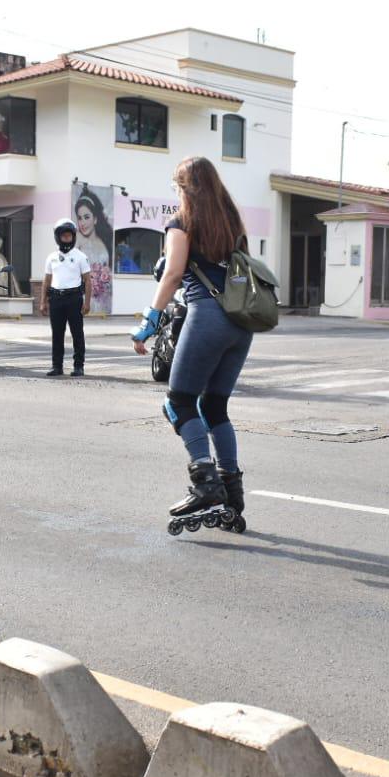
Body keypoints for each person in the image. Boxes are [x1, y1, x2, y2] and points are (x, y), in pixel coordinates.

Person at [130, 156, 253, 531]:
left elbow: (171, 276)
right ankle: (232, 491)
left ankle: (206, 484)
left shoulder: (182, 222)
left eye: (177, 186)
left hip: (207, 317)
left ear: (185, 188)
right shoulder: (233, 222)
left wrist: (148, 324)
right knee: (214, 405)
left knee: (179, 401)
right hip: (240, 323)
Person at [39, 218, 90, 376]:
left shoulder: (81, 256)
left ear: (73, 237)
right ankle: (57, 366)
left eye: (69, 236)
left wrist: (87, 303)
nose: (67, 238)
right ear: (58, 237)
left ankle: (78, 366)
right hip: (56, 298)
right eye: (64, 236)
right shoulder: (51, 257)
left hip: (74, 298)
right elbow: (47, 280)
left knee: (77, 333)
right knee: (57, 334)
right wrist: (43, 302)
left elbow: (88, 280)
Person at [73, 192, 112, 313]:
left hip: (103, 300)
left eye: (86, 217)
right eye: (79, 218)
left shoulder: (103, 241)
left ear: (95, 219)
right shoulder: (77, 239)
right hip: (84, 296)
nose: (82, 223)